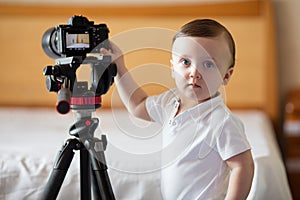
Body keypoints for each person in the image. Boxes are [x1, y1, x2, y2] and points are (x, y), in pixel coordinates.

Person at [100, 19, 254, 200]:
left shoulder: (221, 121)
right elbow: (138, 105)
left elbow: (243, 166)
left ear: (226, 76)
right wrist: (120, 67)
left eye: (208, 64)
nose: (194, 72)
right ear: (173, 68)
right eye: (186, 62)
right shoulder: (169, 102)